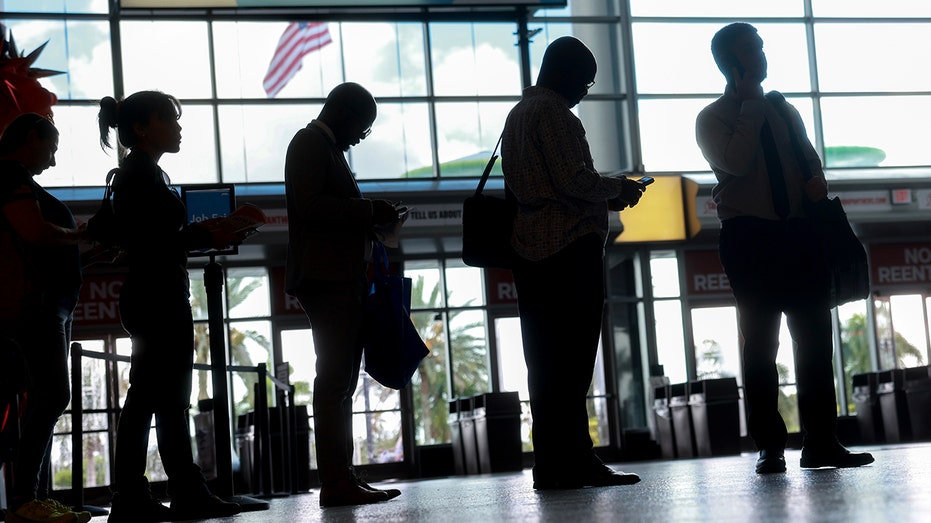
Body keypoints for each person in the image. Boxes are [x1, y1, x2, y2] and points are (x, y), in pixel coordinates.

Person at [695, 22, 874, 474]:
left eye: (760, 46)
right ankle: (769, 446)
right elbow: (735, 162)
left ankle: (821, 442)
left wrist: (814, 183)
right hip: (750, 238)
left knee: (814, 341)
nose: (761, 53)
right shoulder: (712, 117)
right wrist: (750, 102)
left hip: (798, 234)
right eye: (751, 49)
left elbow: (809, 161)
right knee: (761, 345)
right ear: (731, 63)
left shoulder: (784, 108)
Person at [501, 36, 645, 490]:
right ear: (562, 72)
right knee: (575, 363)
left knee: (544, 363)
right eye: (584, 80)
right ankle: (578, 460)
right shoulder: (555, 115)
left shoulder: (517, 115)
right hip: (568, 247)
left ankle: (550, 464)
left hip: (528, 251)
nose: (585, 91)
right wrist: (618, 189)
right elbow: (573, 180)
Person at [97, 91, 245, 522]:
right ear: (144, 128)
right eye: (171, 120)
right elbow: (154, 242)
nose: (179, 128)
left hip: (154, 295)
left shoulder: (144, 174)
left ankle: (166, 490)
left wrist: (213, 231)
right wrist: (209, 236)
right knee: (154, 398)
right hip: (157, 297)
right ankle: (145, 494)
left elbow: (154, 239)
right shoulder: (140, 176)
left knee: (160, 397)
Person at [284, 82, 403, 507]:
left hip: (339, 277)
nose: (360, 137)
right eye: (362, 127)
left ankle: (343, 474)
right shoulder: (309, 143)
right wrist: (371, 210)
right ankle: (334, 480)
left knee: (341, 383)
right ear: (343, 113)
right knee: (334, 381)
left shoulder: (326, 147)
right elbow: (310, 205)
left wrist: (374, 217)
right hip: (327, 279)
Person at [0, 113, 91, 523]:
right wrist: (82, 235)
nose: (52, 161)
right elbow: (34, 232)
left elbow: (36, 242)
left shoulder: (16, 179)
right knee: (51, 396)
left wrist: (85, 250)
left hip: (43, 305)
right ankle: (24, 502)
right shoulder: (7, 175)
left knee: (43, 398)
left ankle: (29, 499)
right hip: (33, 308)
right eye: (51, 148)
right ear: (32, 137)